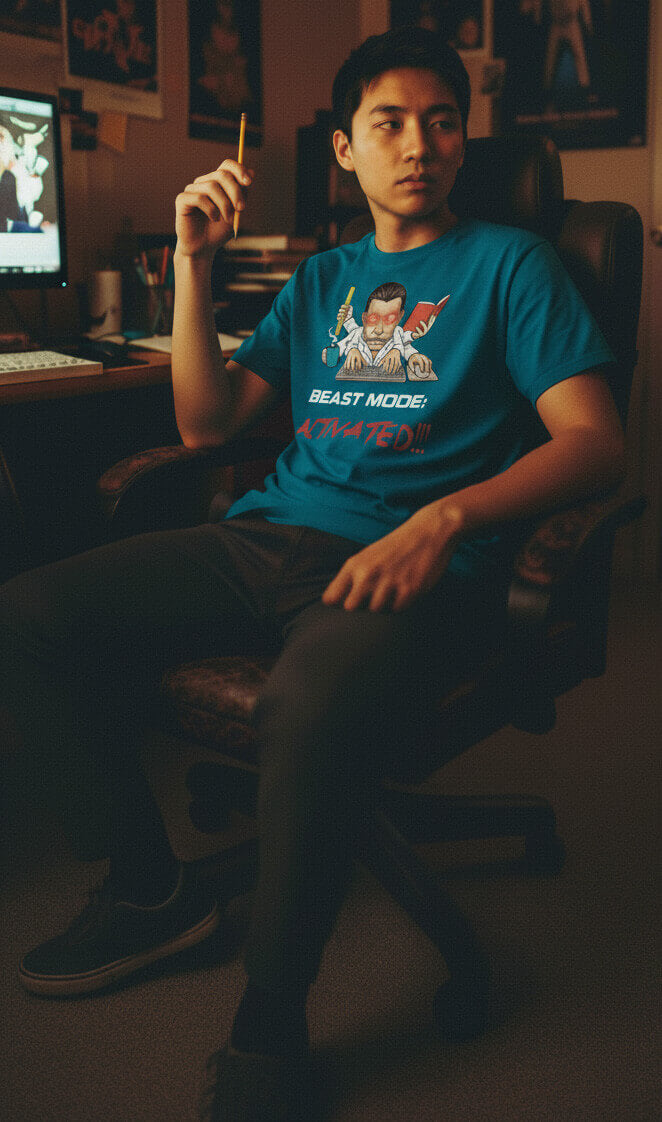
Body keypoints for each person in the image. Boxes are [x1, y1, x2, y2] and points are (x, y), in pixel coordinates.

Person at [0, 27, 623, 1122]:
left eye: (440, 122)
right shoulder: (323, 278)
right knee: (28, 616)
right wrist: (191, 262)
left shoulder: (508, 265)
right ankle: (150, 889)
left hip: (410, 562)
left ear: (461, 146)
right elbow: (206, 424)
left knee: (308, 701)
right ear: (343, 149)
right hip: (266, 535)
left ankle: (272, 1012)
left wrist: (442, 519)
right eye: (387, 122)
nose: (417, 143)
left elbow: (591, 440)